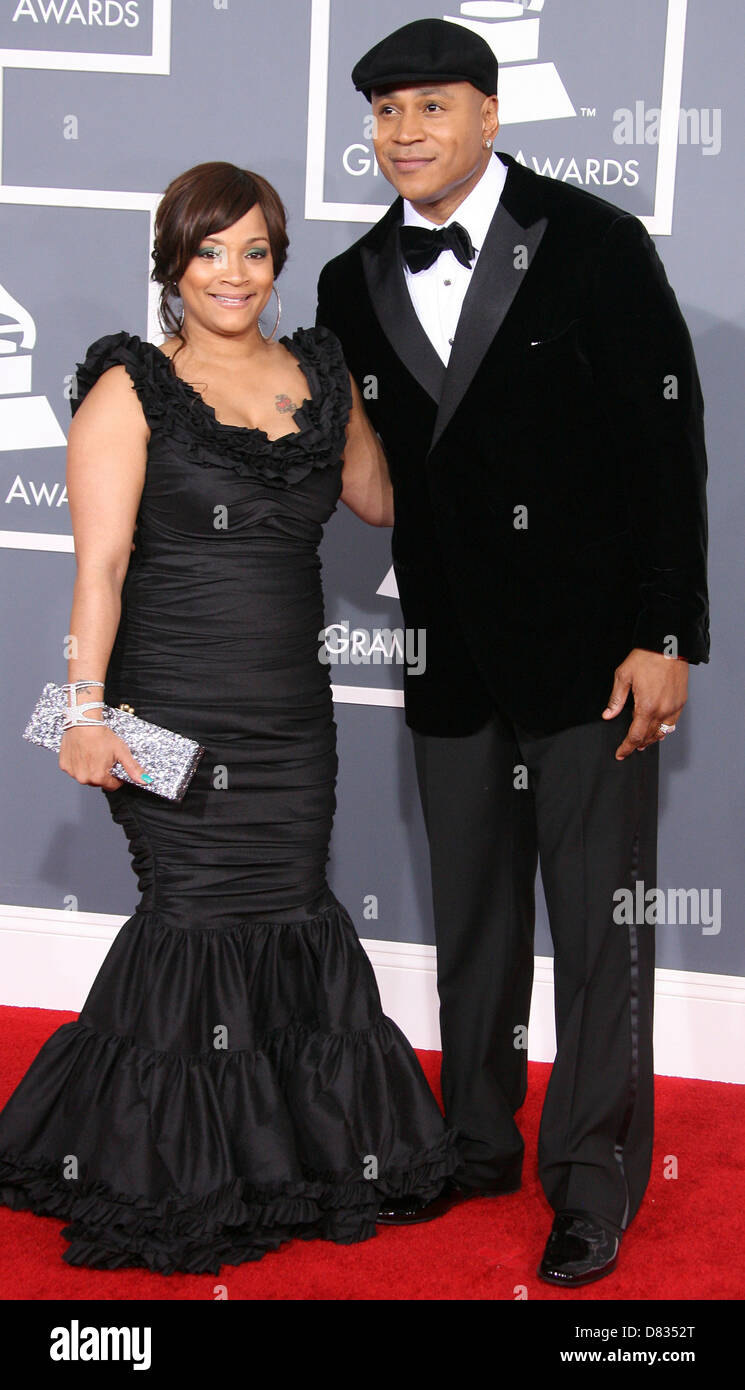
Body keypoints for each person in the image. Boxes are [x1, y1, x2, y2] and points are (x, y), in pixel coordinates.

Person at [0, 161, 458, 1275]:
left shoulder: (319, 373)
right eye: (210, 251)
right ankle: (172, 1167)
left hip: (291, 721)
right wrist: (82, 708)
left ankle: (274, 1158)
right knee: (196, 915)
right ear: (172, 262)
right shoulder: (130, 385)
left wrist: (490, 427)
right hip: (164, 711)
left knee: (287, 909)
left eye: (255, 250)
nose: (233, 273)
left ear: (278, 261)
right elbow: (99, 569)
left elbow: (384, 497)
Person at [316, 19, 709, 1286]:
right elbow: (372, 476)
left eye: (430, 109)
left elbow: (666, 455)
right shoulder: (349, 277)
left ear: (490, 116)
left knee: (602, 931)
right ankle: (478, 1138)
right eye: (384, 114)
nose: (403, 135)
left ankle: (592, 1180)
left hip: (592, 657)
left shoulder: (594, 242)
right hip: (445, 660)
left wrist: (663, 635)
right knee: (473, 925)